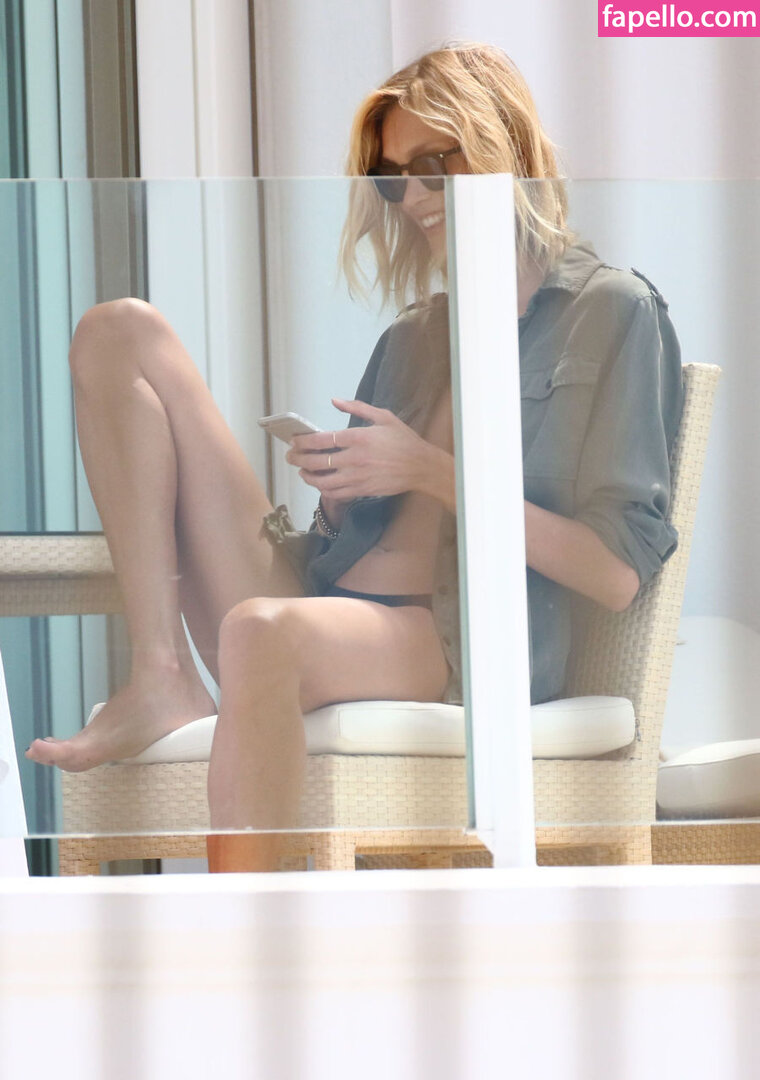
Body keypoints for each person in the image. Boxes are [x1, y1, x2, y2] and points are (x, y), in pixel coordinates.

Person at [25, 43, 683, 872]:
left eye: (435, 165)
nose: (415, 196)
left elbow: (616, 573)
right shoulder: (415, 334)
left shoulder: (612, 312)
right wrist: (341, 497)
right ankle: (160, 672)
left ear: (504, 146)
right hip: (331, 596)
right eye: (391, 179)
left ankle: (241, 929)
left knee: (260, 630)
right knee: (119, 331)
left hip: (453, 639)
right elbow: (358, 533)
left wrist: (426, 471)